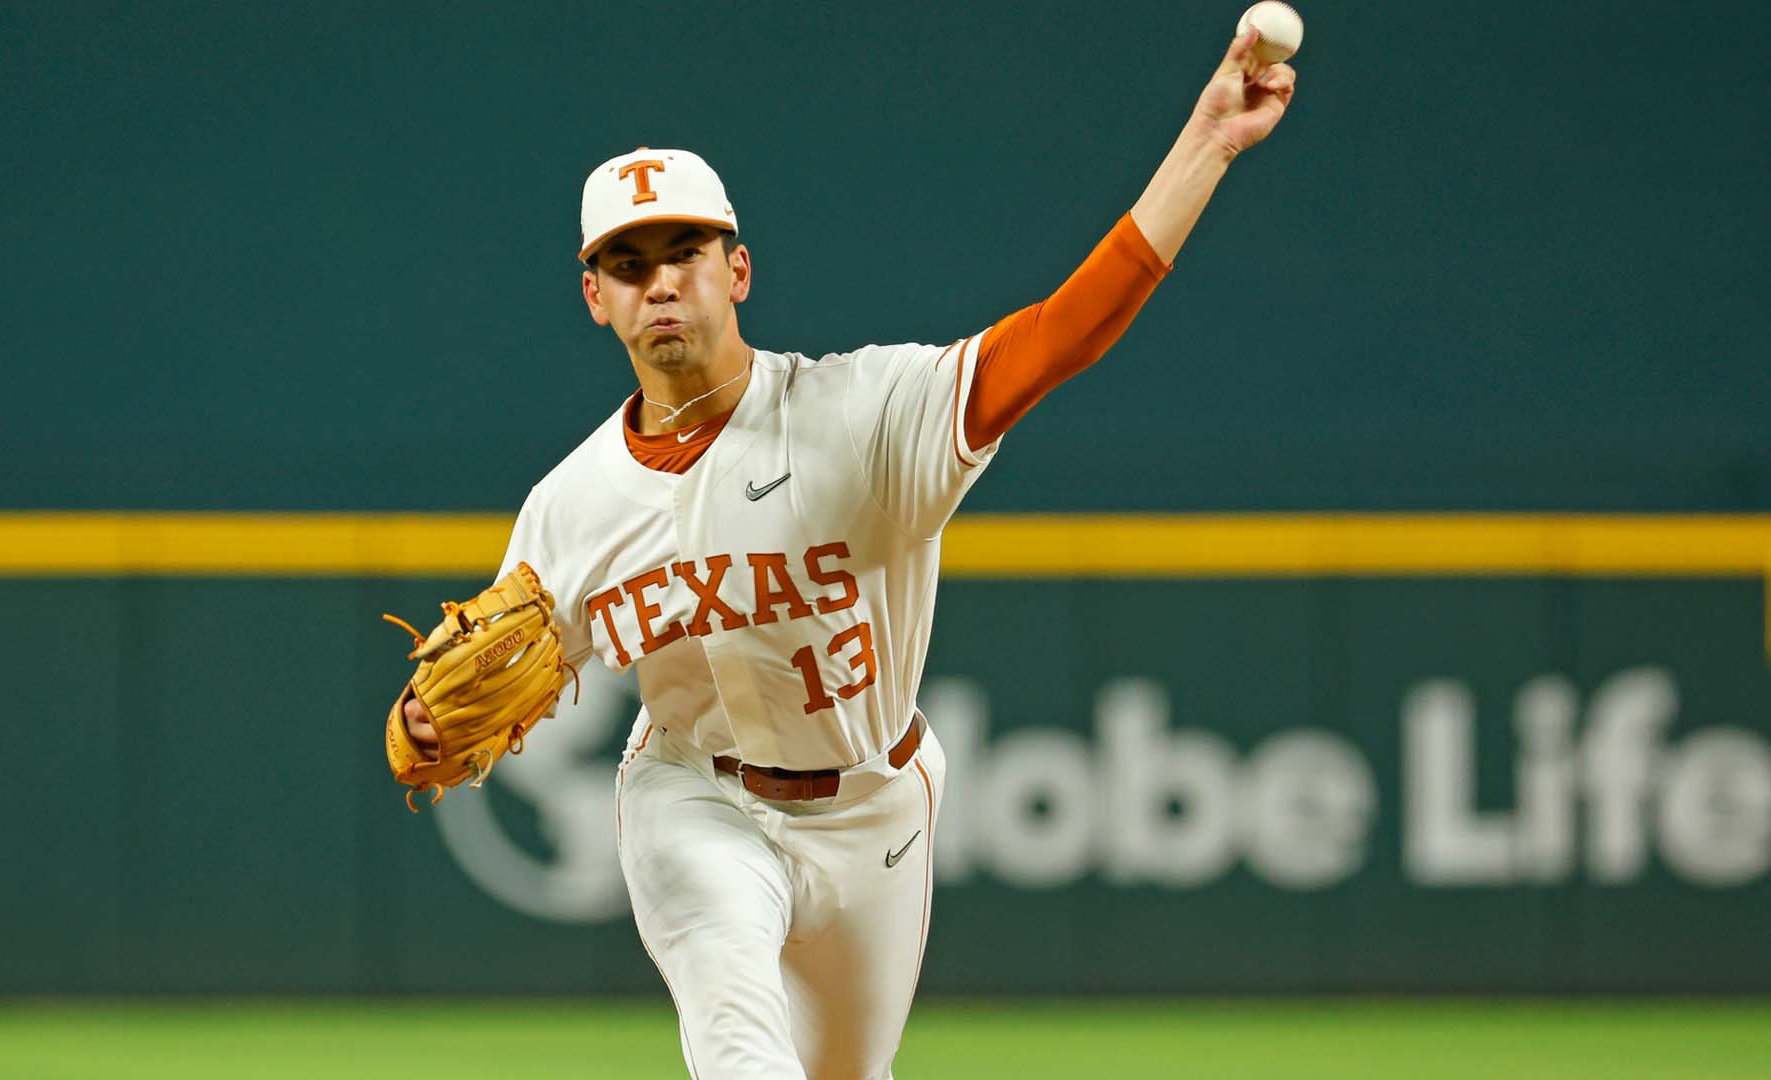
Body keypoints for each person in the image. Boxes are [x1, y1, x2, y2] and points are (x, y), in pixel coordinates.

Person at [402, 27, 1296, 1080]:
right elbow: (482, 682)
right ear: (595, 297)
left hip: (875, 807)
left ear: (737, 270)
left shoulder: (865, 417)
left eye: (685, 253)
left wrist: (1205, 144)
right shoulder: (570, 506)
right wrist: (421, 722)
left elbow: (1061, 335)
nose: (661, 284)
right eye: (628, 265)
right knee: (740, 1044)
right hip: (692, 796)